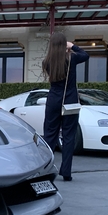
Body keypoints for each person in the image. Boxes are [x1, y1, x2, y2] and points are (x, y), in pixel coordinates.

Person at [42, 33, 89, 181]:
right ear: (64, 45)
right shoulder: (72, 59)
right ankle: (66, 171)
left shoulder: (47, 62)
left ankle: (47, 170)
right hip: (70, 100)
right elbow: (85, 55)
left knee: (50, 135)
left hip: (53, 99)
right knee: (69, 136)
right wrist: (72, 46)